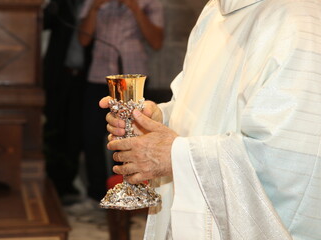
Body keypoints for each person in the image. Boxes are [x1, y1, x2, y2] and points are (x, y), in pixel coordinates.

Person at [100, 0, 321, 239]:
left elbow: (289, 161)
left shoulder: (299, 23)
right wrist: (158, 120)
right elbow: (196, 106)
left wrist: (176, 155)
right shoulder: (214, 11)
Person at [78, 0, 164, 201]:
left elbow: (157, 41)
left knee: (130, 134)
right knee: (91, 135)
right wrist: (95, 7)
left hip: (132, 79)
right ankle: (99, 193)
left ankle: (132, 191)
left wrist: (134, 7)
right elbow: (82, 39)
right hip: (99, 75)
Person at [43, 0, 90, 201]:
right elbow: (43, 22)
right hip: (58, 75)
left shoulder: (97, 5)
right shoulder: (62, 3)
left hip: (84, 77)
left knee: (75, 132)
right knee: (53, 127)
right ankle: (50, 182)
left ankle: (66, 185)